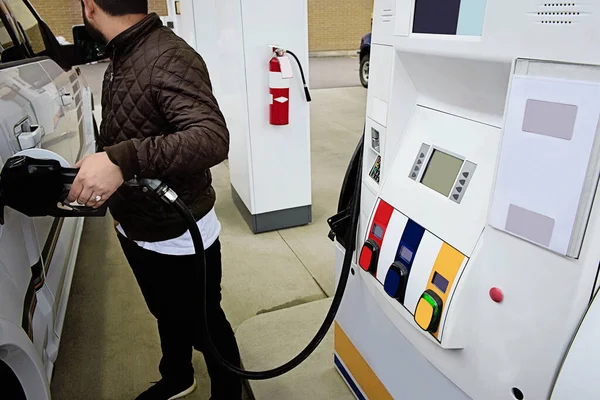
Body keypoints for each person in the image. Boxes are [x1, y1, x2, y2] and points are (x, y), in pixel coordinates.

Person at [69, 1, 243, 399]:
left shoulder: (167, 56)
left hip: (179, 231)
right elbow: (129, 127)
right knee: (166, 314)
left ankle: (229, 391)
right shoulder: (125, 51)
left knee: (206, 323)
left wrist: (122, 159)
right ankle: (179, 375)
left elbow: (212, 137)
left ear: (89, 7)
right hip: (138, 224)